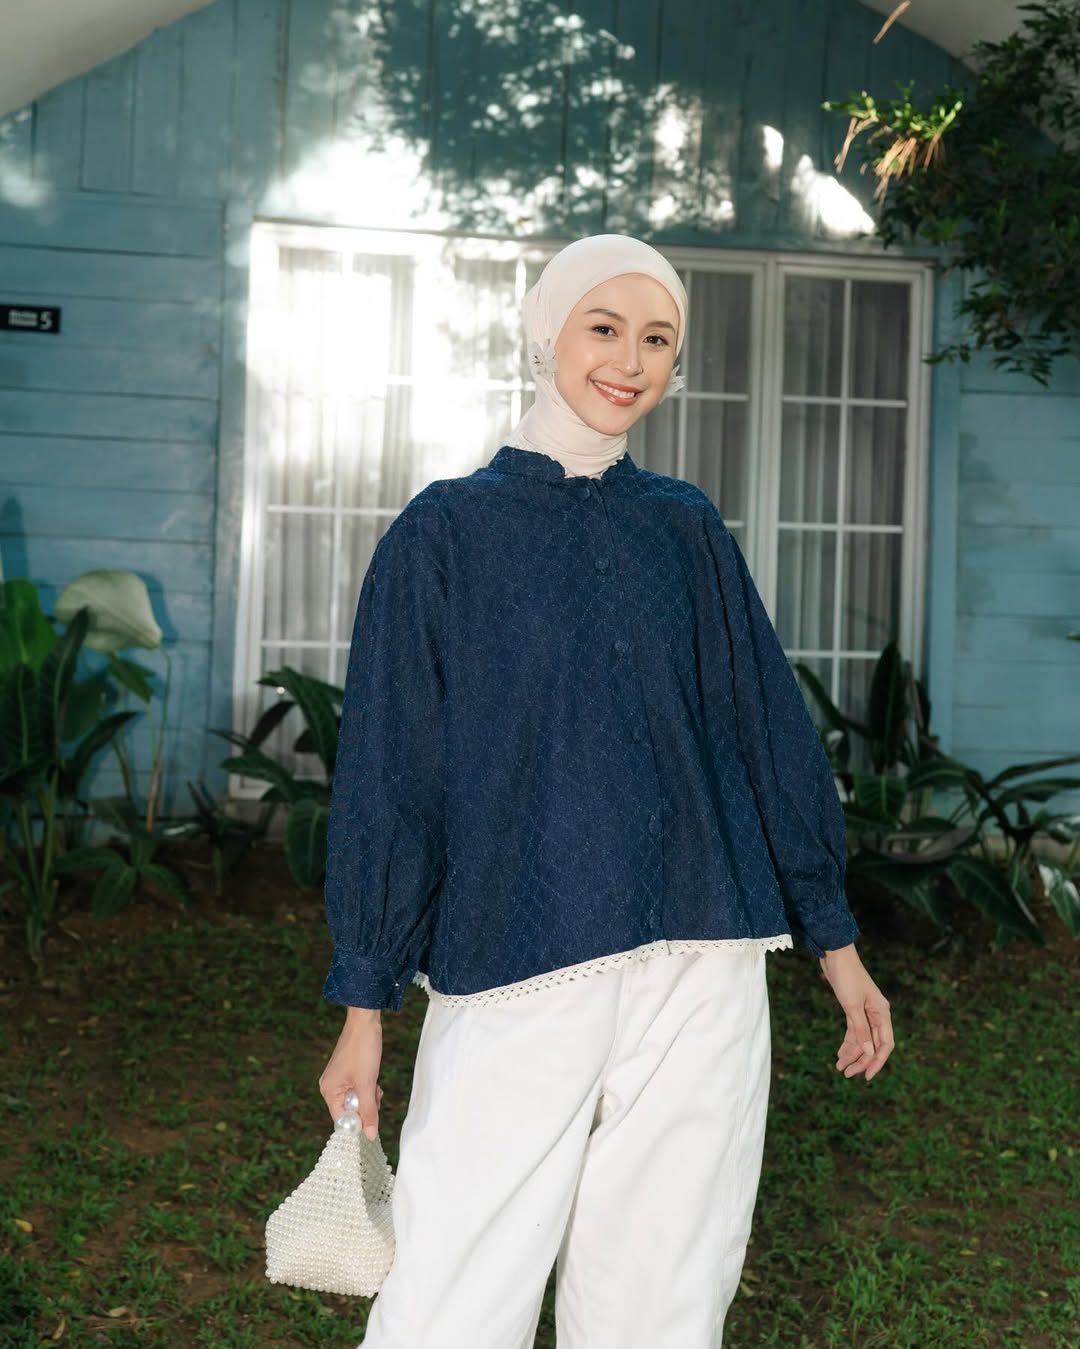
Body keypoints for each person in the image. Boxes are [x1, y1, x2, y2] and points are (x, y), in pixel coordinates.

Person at [318, 234, 894, 1348]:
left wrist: (836, 943)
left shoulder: (685, 529)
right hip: (518, 962)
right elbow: (394, 774)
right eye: (605, 325)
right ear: (547, 332)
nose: (631, 359)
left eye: (659, 338)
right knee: (454, 1281)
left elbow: (765, 732)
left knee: (665, 1290)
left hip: (704, 960)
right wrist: (364, 1004)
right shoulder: (444, 533)